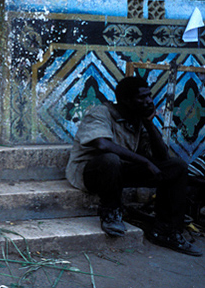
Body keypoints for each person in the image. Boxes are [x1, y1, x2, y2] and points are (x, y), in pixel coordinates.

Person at [66, 75, 201, 256]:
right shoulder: (100, 113)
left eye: (149, 96)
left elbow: (162, 156)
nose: (148, 101)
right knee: (110, 159)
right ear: (126, 101)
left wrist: (148, 122)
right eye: (142, 98)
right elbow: (102, 145)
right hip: (91, 172)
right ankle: (111, 212)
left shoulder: (137, 118)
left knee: (176, 167)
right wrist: (144, 161)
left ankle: (166, 231)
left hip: (120, 172)